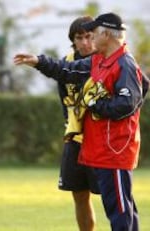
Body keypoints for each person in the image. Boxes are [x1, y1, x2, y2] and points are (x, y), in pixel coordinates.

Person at [14, 12, 149, 231]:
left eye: (94, 32)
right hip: (103, 149)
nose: (91, 37)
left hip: (115, 148)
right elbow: (67, 70)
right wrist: (39, 61)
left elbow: (126, 104)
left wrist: (95, 104)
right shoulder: (100, 59)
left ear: (106, 34)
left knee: (121, 212)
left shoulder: (124, 63)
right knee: (119, 209)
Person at [57, 16, 99, 231]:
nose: (85, 42)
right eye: (79, 37)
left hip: (102, 142)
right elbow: (66, 101)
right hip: (76, 141)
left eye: (89, 36)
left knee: (114, 197)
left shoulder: (107, 61)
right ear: (73, 40)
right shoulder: (66, 64)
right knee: (79, 195)